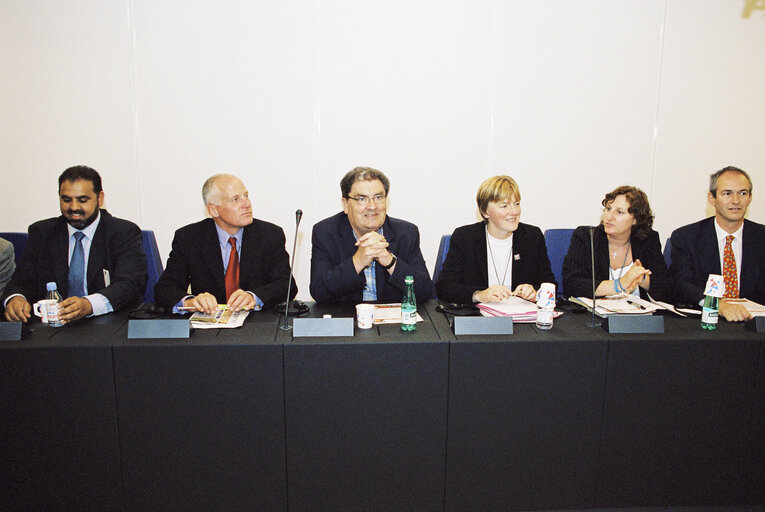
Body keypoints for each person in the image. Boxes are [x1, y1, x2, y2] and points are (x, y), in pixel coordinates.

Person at [2, 165, 147, 324]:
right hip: (51, 329)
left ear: (99, 199)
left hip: (106, 325)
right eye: (66, 200)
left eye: (82, 200)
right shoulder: (42, 233)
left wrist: (88, 305)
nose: (74, 207)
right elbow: (21, 282)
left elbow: (129, 284)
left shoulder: (122, 232)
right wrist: (16, 299)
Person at [154, 174, 296, 313]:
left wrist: (254, 297)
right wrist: (189, 302)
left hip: (256, 326)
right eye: (235, 199)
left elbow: (287, 285)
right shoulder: (189, 238)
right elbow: (165, 288)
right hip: (207, 328)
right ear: (213, 210)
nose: (247, 204)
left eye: (246, 196)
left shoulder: (269, 235)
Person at [310, 166, 433, 303]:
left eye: (378, 197)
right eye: (362, 199)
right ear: (345, 204)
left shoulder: (406, 233)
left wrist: (389, 261)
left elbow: (426, 291)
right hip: (347, 317)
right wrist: (357, 261)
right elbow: (319, 292)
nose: (372, 206)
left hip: (393, 321)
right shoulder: (326, 233)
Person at [435, 175, 555, 304]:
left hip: (522, 320)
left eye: (516, 204)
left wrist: (536, 292)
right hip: (479, 319)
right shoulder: (465, 237)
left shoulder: (532, 237)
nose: (514, 211)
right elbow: (444, 287)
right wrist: (479, 295)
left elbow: (549, 283)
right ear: (485, 211)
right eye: (504, 206)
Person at [670, 166, 765, 322]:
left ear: (750, 198)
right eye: (727, 193)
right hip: (706, 323)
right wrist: (717, 305)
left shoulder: (761, 237)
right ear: (712, 198)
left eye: (742, 193)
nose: (736, 200)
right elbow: (682, 285)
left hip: (754, 328)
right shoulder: (687, 237)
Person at [563, 186, 673, 301]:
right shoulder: (587, 236)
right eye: (608, 209)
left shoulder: (648, 240)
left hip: (637, 316)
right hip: (595, 316)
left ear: (635, 219)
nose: (609, 217)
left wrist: (642, 278)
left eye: (619, 212)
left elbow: (667, 290)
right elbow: (572, 283)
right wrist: (620, 284)